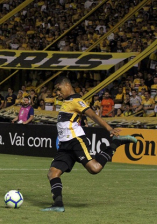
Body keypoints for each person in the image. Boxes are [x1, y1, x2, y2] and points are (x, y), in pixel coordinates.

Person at [42, 76, 137, 212]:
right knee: (52, 173)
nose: (57, 93)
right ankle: (58, 205)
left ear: (67, 85)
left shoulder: (77, 101)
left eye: (58, 89)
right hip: (64, 145)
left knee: (95, 168)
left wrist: (109, 129)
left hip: (76, 141)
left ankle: (115, 144)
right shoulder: (67, 102)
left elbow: (93, 115)